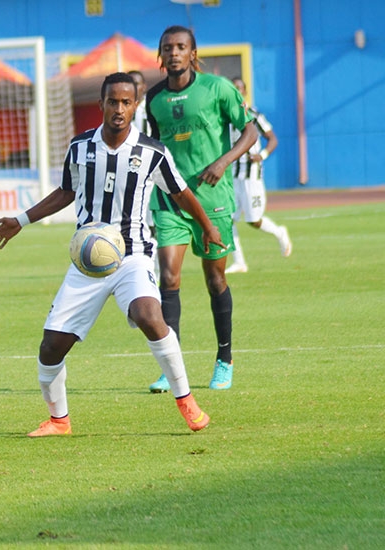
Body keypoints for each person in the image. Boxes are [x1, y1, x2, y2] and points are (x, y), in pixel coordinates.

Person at [0, 72, 221, 437]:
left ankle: (186, 400)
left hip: (133, 255)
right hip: (88, 261)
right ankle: (59, 420)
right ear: (101, 104)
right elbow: (65, 192)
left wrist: (207, 226)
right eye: (113, 101)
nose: (119, 109)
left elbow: (181, 193)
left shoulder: (152, 152)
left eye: (127, 102)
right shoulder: (80, 148)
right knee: (51, 347)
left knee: (149, 314)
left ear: (135, 106)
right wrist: (20, 220)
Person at [145, 25, 258, 393]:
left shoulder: (218, 88)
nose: (174, 52)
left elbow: (251, 131)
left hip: (213, 200)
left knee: (215, 280)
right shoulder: (154, 99)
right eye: (168, 48)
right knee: (169, 278)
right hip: (171, 201)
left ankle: (224, 359)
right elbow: (151, 147)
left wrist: (223, 162)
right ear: (160, 56)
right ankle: (171, 367)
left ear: (193, 53)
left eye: (181, 47)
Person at [225, 76, 292, 274]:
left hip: (251, 176)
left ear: (244, 92)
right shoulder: (224, 116)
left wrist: (261, 155)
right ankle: (239, 262)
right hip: (232, 176)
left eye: (239, 88)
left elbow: (272, 138)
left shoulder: (254, 114)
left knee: (254, 220)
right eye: (233, 89)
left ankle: (280, 232)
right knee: (227, 221)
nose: (236, 92)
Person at [128, 70, 151, 136]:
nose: (132, 87)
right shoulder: (121, 109)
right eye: (129, 84)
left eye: (136, 84)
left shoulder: (152, 106)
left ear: (144, 87)